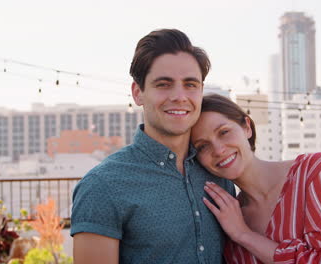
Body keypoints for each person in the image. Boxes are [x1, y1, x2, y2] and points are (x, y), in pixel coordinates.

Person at [70, 30, 235, 264]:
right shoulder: (103, 186)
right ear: (138, 93)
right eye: (164, 84)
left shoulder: (219, 173)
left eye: (190, 84)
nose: (179, 96)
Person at [191, 93, 321, 264]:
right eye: (203, 146)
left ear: (247, 127)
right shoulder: (228, 215)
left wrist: (244, 235)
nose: (218, 150)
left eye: (224, 132)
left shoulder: (313, 173)